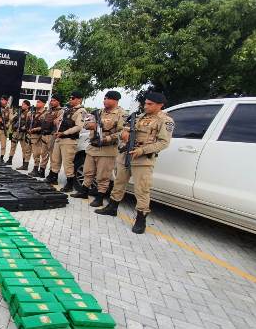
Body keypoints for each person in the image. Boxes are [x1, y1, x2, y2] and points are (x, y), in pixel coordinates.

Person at [96, 92, 174, 234]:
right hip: (126, 154)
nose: (146, 106)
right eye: (146, 103)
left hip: (143, 159)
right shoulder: (138, 117)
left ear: (160, 105)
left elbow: (163, 143)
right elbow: (123, 131)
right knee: (119, 182)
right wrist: (123, 134)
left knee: (142, 189)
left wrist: (143, 150)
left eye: (150, 104)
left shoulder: (165, 120)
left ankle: (141, 218)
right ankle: (112, 207)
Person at [71, 90, 125, 206]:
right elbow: (86, 123)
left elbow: (122, 133)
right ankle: (84, 191)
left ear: (115, 100)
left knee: (103, 176)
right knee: (87, 171)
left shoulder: (121, 114)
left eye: (108, 99)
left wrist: (107, 138)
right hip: (93, 147)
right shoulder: (98, 112)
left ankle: (100, 198)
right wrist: (90, 125)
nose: (105, 101)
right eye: (104, 98)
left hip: (107, 150)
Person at [47, 91, 86, 191]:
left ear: (79, 99)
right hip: (59, 138)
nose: (70, 99)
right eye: (70, 98)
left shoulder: (81, 111)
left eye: (72, 98)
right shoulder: (68, 109)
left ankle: (69, 184)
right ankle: (53, 178)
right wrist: (57, 122)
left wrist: (64, 133)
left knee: (68, 163)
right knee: (55, 160)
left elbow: (78, 127)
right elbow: (58, 120)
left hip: (69, 140)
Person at [26, 95, 63, 176]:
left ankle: (52, 173)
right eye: (51, 100)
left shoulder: (61, 111)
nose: (52, 102)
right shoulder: (49, 111)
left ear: (58, 101)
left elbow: (58, 124)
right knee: (43, 155)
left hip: (52, 135)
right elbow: (44, 122)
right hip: (44, 135)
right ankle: (42, 171)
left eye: (54, 100)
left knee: (52, 156)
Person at [8, 100, 30, 166]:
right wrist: (13, 113)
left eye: (24, 104)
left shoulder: (29, 113)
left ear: (27, 106)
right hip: (15, 132)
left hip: (23, 133)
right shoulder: (18, 112)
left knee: (24, 149)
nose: (22, 106)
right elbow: (11, 119)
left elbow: (28, 123)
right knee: (12, 146)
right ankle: (10, 160)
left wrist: (24, 128)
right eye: (22, 104)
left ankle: (24, 163)